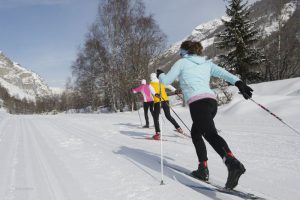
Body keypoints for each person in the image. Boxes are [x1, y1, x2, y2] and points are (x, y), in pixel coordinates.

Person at [157, 40, 253, 190]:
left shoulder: (182, 62)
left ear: (184, 51)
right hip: (211, 102)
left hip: (198, 103)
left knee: (209, 134)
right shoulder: (206, 63)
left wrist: (161, 75)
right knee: (196, 132)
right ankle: (203, 168)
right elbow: (224, 74)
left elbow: (165, 82)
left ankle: (232, 163)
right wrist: (239, 83)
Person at [148, 73, 183, 140]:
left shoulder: (150, 84)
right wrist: (175, 90)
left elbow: (152, 91)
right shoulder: (161, 82)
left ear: (151, 78)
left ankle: (157, 133)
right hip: (165, 100)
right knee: (168, 116)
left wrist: (156, 94)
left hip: (158, 101)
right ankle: (178, 128)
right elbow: (169, 86)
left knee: (156, 117)